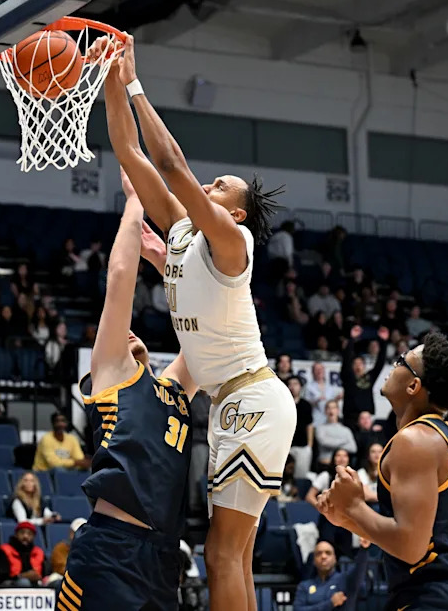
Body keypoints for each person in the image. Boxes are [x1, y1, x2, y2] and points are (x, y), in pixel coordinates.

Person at [101, 36, 295, 611]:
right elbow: (133, 159)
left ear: (235, 212)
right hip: (233, 401)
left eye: (221, 187)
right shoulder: (185, 233)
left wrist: (136, 85)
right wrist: (110, 87)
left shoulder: (233, 240)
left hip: (252, 400)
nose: (208, 184)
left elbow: (169, 163)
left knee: (220, 555)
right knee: (231, 556)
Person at [56, 169, 199, 610]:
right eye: (126, 332)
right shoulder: (114, 373)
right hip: (111, 549)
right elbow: (119, 278)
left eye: (138, 332)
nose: (131, 332)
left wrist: (166, 264)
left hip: (162, 556)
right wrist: (135, 201)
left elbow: (215, 328)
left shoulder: (174, 387)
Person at [317, 333, 448, 610]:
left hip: (432, 597)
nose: (392, 368)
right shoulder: (445, 440)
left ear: (413, 385)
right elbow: (426, 534)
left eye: (400, 361)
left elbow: (411, 547)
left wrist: (355, 505)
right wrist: (346, 519)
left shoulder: (415, 440)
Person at [292, 538, 370, 611]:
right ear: (314, 561)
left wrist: (364, 549)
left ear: (335, 559)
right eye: (319, 553)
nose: (323, 556)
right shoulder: (304, 586)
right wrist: (330, 604)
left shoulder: (345, 579)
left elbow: (359, 570)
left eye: (328, 553)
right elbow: (297, 609)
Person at [340, 326, 390, 429]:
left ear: (364, 366)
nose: (358, 366)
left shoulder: (369, 377)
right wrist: (352, 339)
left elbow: (379, 363)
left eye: (361, 363)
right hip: (351, 419)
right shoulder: (348, 377)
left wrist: (383, 342)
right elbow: (346, 361)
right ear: (352, 366)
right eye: (355, 364)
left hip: (367, 417)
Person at [0, 521, 44, 586]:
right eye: (22, 532)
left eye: (29, 534)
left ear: (33, 537)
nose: (25, 536)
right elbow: (1, 577)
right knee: (24, 583)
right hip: (10, 584)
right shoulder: (4, 550)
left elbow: (44, 573)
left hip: (36, 583)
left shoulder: (38, 552)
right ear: (16, 534)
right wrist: (21, 576)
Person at [313, 401, 357, 469]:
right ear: (325, 411)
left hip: (343, 466)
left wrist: (332, 443)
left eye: (333, 408)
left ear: (338, 410)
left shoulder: (346, 430)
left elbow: (353, 448)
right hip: (325, 465)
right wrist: (345, 441)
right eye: (329, 408)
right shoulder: (320, 428)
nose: (331, 410)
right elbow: (324, 442)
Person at [305, 362, 342, 427]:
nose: (319, 371)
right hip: (316, 420)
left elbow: (332, 402)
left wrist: (337, 399)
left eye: (321, 369)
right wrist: (316, 401)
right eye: (316, 369)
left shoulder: (330, 387)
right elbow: (306, 404)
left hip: (330, 420)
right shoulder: (308, 387)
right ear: (313, 372)